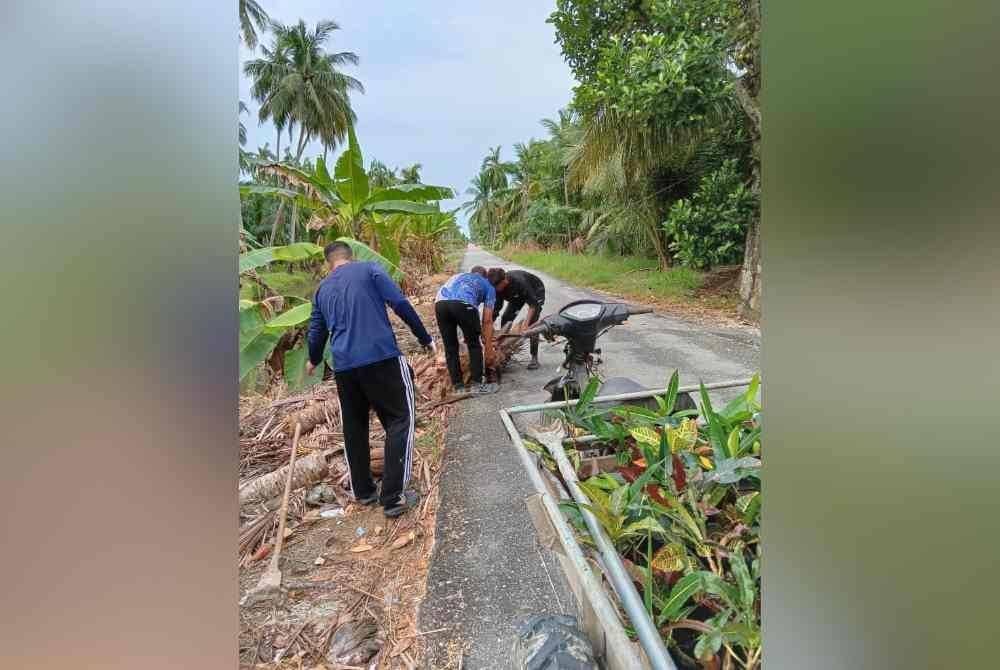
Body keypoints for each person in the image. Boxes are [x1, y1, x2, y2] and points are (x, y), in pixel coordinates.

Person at [305, 241, 435, 518]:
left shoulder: (322, 289)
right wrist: (425, 338)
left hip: (344, 368)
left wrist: (313, 359)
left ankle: (363, 492)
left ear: (330, 262)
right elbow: (399, 303)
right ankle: (393, 497)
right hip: (381, 357)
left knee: (354, 427)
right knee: (401, 419)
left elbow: (316, 331)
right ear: (350, 257)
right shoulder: (369, 270)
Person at [434, 266, 500, 394]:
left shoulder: (458, 276)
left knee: (450, 347)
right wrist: (488, 346)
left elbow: (446, 301)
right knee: (474, 344)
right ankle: (477, 384)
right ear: (485, 276)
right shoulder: (488, 285)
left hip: (440, 305)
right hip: (464, 304)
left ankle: (458, 387)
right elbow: (487, 320)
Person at [487, 267, 546, 370]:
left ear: (505, 280)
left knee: (532, 325)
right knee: (506, 318)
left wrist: (526, 325)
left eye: (498, 286)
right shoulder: (497, 287)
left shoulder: (520, 282)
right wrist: (488, 326)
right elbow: (496, 309)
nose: (496, 289)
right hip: (516, 297)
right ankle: (503, 351)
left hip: (536, 292)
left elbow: (533, 305)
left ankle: (534, 358)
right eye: (494, 287)